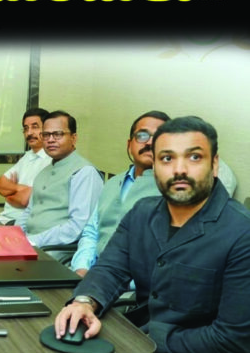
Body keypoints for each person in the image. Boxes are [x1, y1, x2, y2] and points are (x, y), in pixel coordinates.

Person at [55, 116, 250, 353]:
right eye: (167, 158)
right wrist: (85, 302)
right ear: (155, 166)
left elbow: (232, 339)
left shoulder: (241, 232)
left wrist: (142, 339)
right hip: (135, 337)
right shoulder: (141, 212)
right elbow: (111, 268)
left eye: (194, 157)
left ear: (215, 164)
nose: (179, 169)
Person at [71, 111, 239, 277]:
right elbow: (91, 232)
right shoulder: (113, 183)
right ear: (130, 144)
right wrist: (82, 268)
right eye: (142, 135)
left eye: (157, 137)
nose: (150, 142)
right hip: (97, 275)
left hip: (138, 285)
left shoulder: (176, 190)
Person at [21, 110, 103, 248]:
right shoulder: (43, 172)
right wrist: (14, 237)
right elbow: (28, 213)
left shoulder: (84, 172)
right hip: (30, 244)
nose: (51, 140)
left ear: (73, 138)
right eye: (46, 135)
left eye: (58, 134)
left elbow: (77, 227)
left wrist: (32, 241)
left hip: (54, 250)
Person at [0, 108, 52, 222]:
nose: (29, 133)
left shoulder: (51, 160)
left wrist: (9, 194)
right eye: (26, 129)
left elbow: (24, 200)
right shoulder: (28, 156)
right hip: (5, 218)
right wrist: (19, 188)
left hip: (24, 223)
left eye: (35, 127)